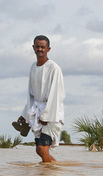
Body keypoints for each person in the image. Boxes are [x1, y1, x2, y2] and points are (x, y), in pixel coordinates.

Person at [17, 35, 65, 163]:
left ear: (48, 49)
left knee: (43, 148)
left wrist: (47, 116)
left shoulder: (54, 68)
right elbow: (31, 94)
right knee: (39, 149)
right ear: (33, 48)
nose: (40, 49)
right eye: (37, 46)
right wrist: (24, 114)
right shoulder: (33, 67)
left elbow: (57, 95)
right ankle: (53, 170)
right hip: (37, 111)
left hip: (51, 113)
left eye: (43, 47)